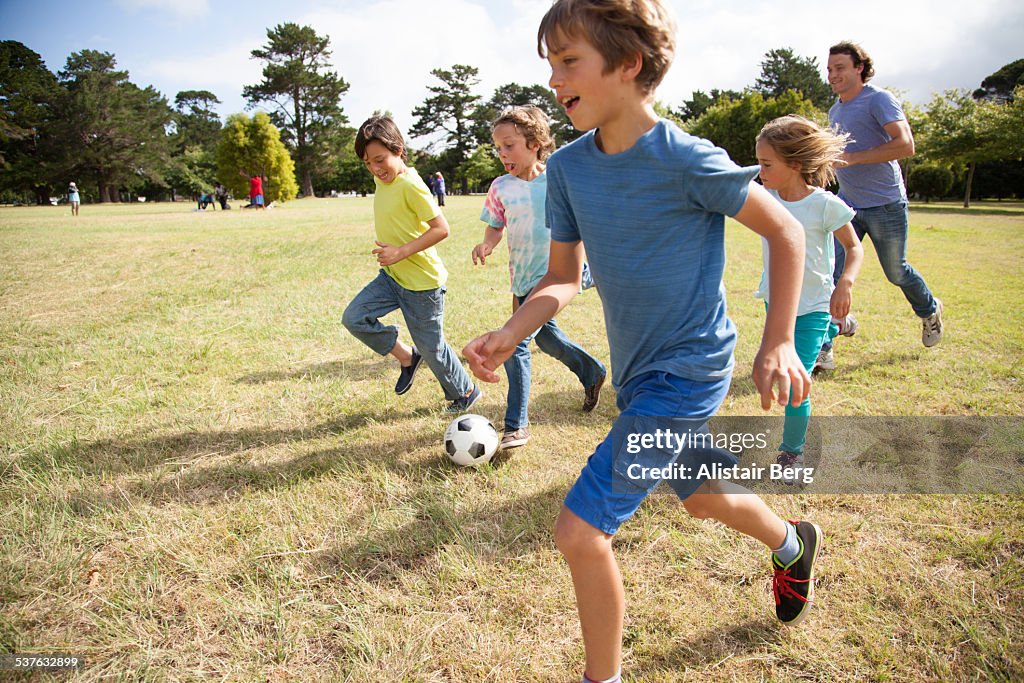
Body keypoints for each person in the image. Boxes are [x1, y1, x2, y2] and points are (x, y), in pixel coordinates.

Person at [463, 2, 820, 680]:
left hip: (688, 371)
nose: (555, 78)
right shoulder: (568, 169)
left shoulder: (687, 159)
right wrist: (513, 329)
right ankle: (791, 540)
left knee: (580, 530)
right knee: (700, 491)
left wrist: (779, 342)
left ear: (628, 65)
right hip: (638, 372)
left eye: (569, 61)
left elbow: (786, 231)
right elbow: (563, 278)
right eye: (550, 64)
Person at [472, 105, 607, 450]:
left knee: (516, 344)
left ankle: (516, 425)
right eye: (498, 148)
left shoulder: (557, 179)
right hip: (524, 279)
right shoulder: (500, 187)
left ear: (534, 143)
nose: (502, 154)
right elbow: (495, 226)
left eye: (509, 145)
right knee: (546, 339)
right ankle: (592, 372)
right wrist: (487, 244)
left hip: (560, 274)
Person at [343, 115, 480, 413]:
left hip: (422, 284)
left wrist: (401, 252)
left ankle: (465, 391)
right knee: (354, 317)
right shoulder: (383, 178)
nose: (375, 169)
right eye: (368, 163)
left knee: (433, 347)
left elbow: (442, 228)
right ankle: (407, 356)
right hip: (392, 277)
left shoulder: (411, 184)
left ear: (398, 149)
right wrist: (394, 258)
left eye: (380, 160)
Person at [754, 115, 864, 483]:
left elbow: (854, 247)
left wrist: (845, 282)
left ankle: (792, 452)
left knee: (794, 380)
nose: (760, 170)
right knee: (779, 376)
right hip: (777, 302)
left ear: (795, 165)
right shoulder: (765, 199)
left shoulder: (824, 205)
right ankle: (841, 323)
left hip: (815, 303)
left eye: (767, 164)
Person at [821, 40, 943, 368]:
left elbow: (906, 145)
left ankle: (930, 310)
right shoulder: (835, 111)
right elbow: (840, 158)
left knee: (896, 271)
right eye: (830, 68)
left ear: (860, 68)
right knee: (829, 274)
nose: (832, 74)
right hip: (847, 204)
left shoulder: (879, 99)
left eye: (840, 68)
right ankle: (825, 347)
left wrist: (853, 159)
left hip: (885, 203)